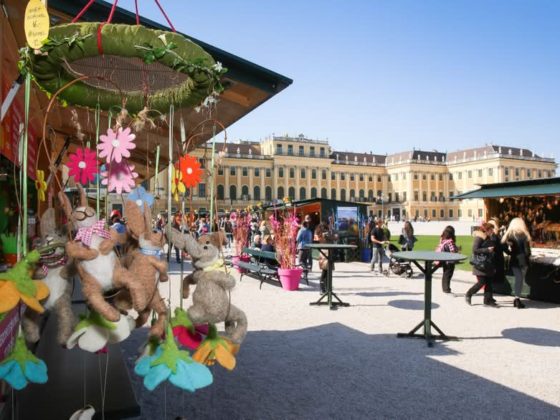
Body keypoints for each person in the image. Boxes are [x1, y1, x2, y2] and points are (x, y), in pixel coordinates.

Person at [465, 223, 498, 307]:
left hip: (487, 264)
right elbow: (475, 250)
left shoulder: (489, 237)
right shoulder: (479, 237)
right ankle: (469, 294)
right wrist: (487, 250)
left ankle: (487, 300)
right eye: (491, 229)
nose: (492, 231)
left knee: (489, 282)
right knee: (481, 282)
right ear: (486, 230)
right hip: (480, 264)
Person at [502, 217, 531, 309]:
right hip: (523, 260)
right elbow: (527, 252)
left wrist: (510, 253)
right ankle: (517, 299)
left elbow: (503, 246)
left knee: (518, 278)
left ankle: (516, 299)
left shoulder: (509, 234)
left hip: (514, 259)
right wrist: (528, 256)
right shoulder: (524, 234)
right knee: (520, 279)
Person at [437, 225, 459, 293]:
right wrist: (458, 249)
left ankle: (445, 288)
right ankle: (446, 288)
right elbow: (452, 251)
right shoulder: (450, 241)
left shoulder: (443, 239)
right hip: (450, 261)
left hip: (444, 260)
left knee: (445, 274)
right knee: (449, 274)